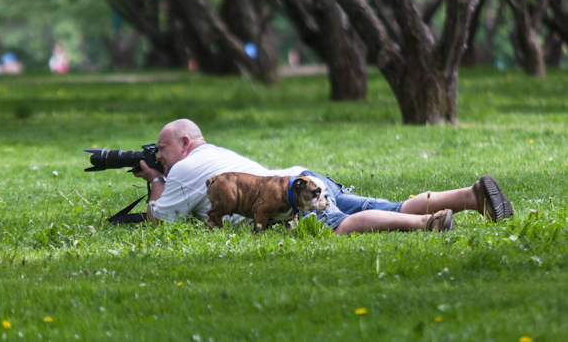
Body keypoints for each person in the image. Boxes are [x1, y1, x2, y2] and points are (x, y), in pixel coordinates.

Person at [134, 119, 514, 233]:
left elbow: (157, 217)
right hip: (303, 177)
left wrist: (155, 179)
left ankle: (427, 223)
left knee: (340, 225)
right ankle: (471, 195)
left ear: (184, 143)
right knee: (387, 205)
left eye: (161, 150)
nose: (159, 157)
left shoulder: (182, 169)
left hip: (289, 198)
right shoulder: (214, 153)